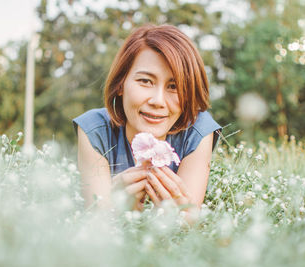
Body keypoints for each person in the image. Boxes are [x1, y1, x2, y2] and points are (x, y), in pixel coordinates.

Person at [73, 24, 221, 213]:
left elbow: (187, 222)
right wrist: (111, 209)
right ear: (121, 84)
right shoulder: (94, 129)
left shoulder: (198, 131)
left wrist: (181, 218)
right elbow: (99, 220)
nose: (158, 101)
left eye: (174, 86)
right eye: (145, 81)